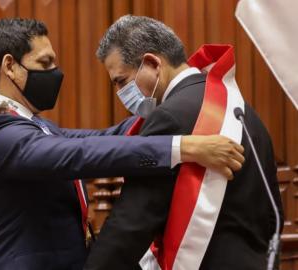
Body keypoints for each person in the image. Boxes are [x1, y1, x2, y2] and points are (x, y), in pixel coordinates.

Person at [0, 18, 244, 270]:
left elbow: (100, 138)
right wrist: (183, 147)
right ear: (10, 67)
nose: (55, 71)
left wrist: (173, 107)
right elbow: (79, 154)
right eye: (45, 62)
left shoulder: (30, 124)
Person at [84, 15, 283, 270]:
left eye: (122, 81)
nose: (120, 94)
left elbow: (133, 221)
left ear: (152, 63)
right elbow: (271, 214)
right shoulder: (244, 112)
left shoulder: (168, 117)